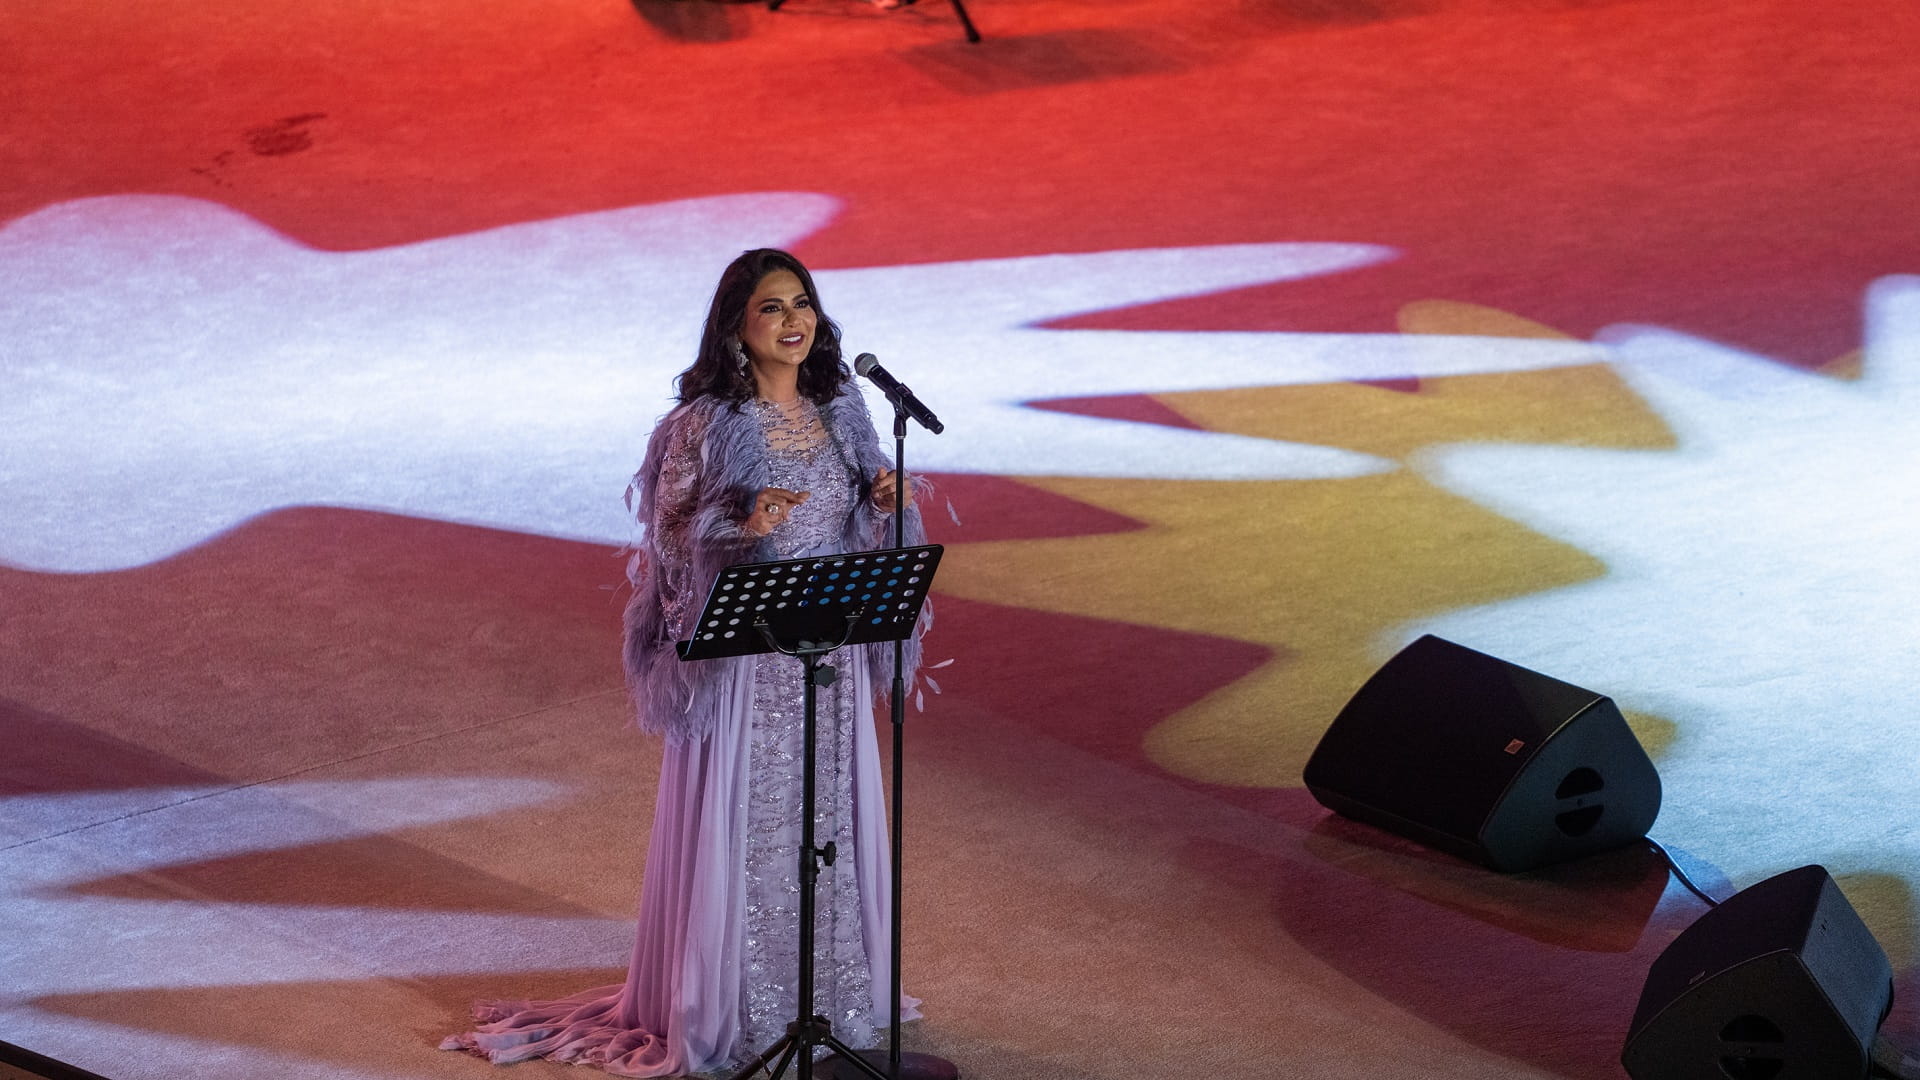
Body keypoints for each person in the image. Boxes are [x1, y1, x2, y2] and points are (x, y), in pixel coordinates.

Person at [443, 248, 928, 1076]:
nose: (793, 321)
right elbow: (670, 538)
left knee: (825, 824)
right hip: (748, 658)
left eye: (801, 303)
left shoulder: (845, 411)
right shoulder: (702, 424)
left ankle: (828, 996)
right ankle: (732, 1004)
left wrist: (884, 500)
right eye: (771, 308)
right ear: (736, 327)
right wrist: (741, 520)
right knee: (749, 822)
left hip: (828, 658)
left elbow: (860, 524)